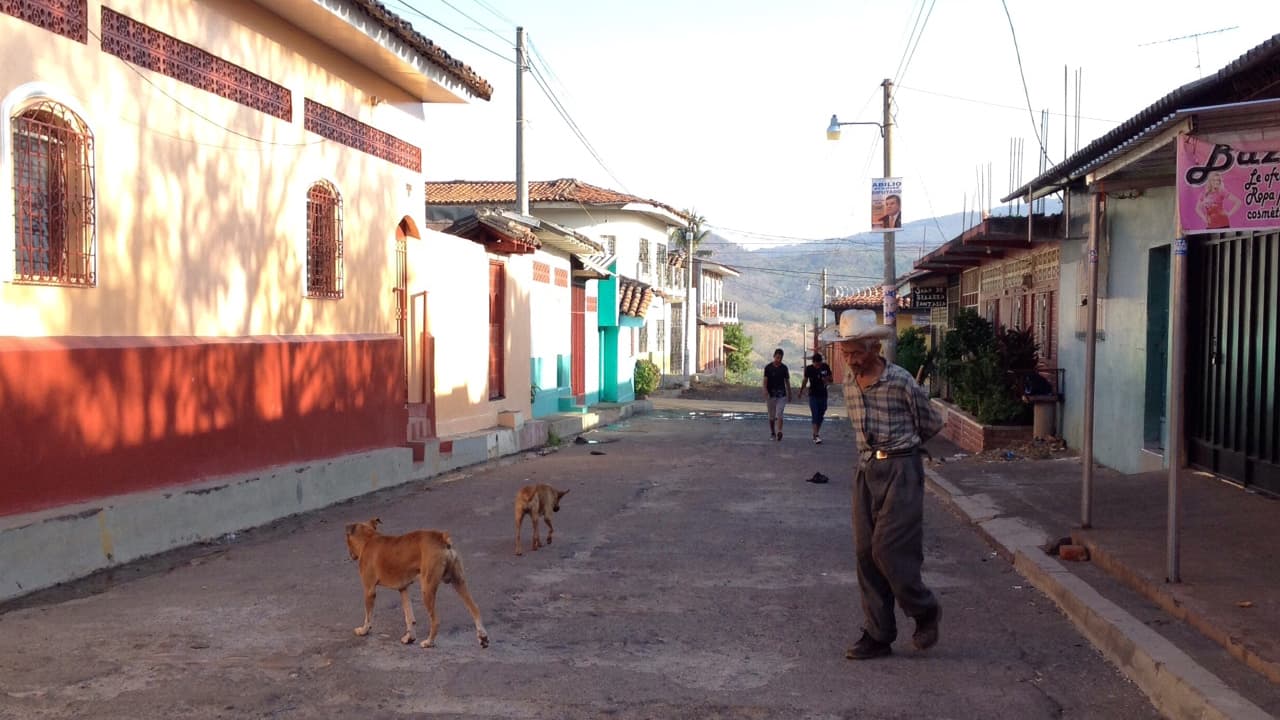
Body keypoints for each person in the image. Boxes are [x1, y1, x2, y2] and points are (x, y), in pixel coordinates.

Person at [821, 309, 943, 660]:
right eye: (846, 354)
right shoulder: (848, 382)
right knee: (865, 554)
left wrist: (903, 450)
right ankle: (878, 633)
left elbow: (931, 423)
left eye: (856, 353)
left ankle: (924, 610)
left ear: (874, 347)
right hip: (865, 471)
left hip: (902, 470)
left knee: (888, 550)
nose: (851, 361)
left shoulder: (901, 381)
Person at [797, 351, 833, 444]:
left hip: (823, 394)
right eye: (816, 364)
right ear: (813, 362)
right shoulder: (809, 369)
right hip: (813, 394)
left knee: (821, 414)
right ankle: (816, 435)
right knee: (815, 413)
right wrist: (801, 391)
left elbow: (831, 379)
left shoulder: (825, 367)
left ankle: (816, 433)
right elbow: (805, 380)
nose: (817, 366)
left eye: (819, 364)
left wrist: (826, 379)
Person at [762, 348, 792, 441]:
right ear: (774, 356)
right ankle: (772, 433)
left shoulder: (784, 368)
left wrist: (789, 393)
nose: (778, 360)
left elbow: (787, 381)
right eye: (777, 357)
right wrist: (765, 390)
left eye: (780, 358)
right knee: (771, 416)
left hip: (781, 395)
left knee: (779, 414)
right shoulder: (768, 368)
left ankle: (779, 431)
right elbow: (765, 381)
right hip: (771, 395)